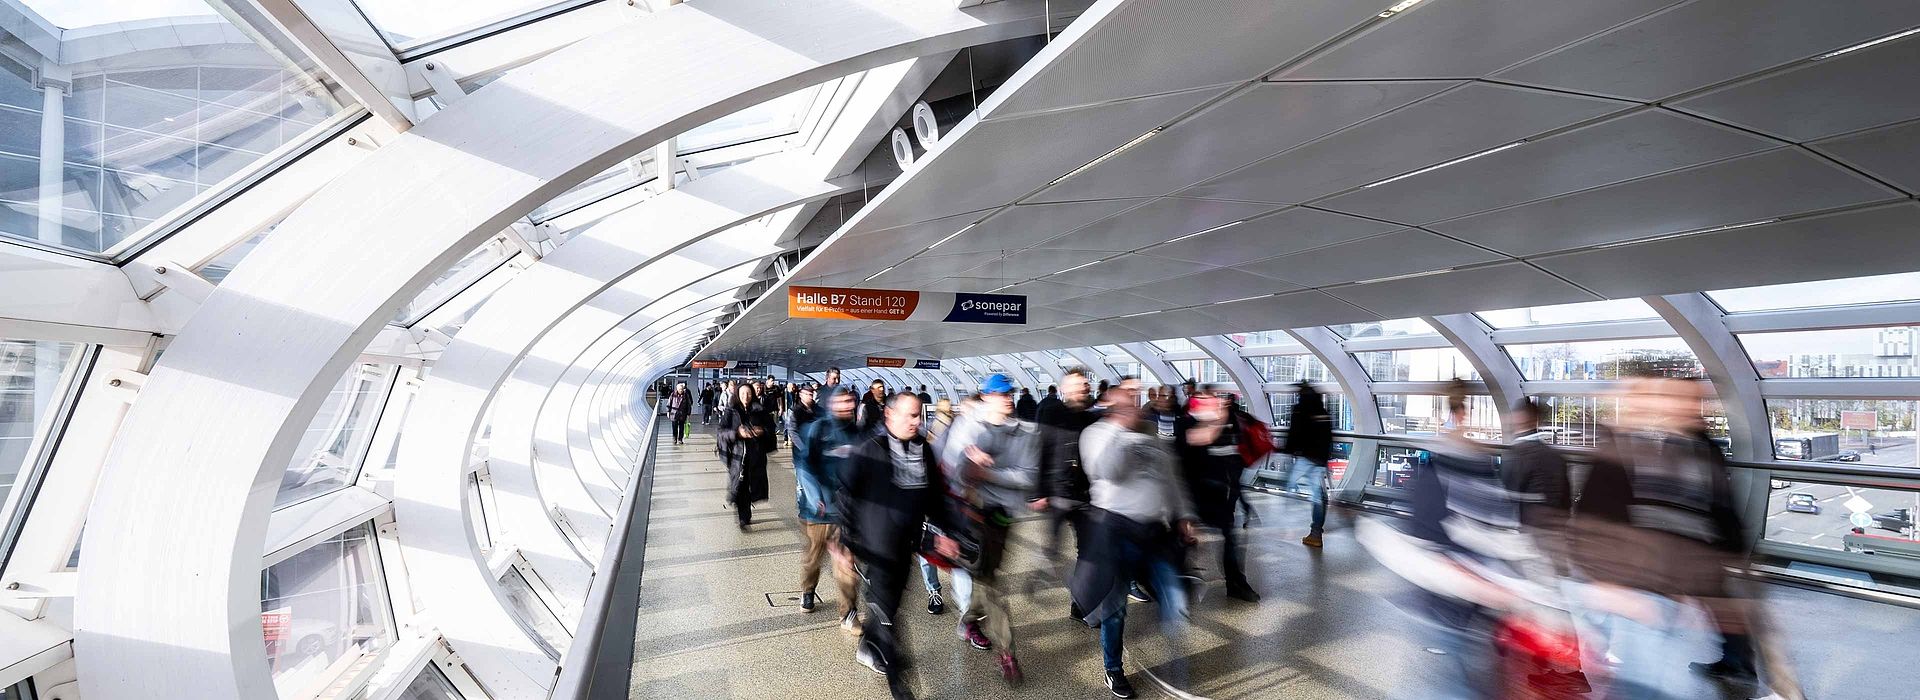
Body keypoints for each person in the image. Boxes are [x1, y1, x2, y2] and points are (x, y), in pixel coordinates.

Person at [1572, 375, 1755, 697]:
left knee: (1646, 678)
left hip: (1671, 585)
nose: (1685, 406)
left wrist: (1726, 564)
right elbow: (1597, 516)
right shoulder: (1634, 448)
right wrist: (1607, 581)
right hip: (1642, 585)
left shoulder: (1693, 449)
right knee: (1644, 679)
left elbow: (1715, 512)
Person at [1073, 381, 1197, 698]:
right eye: (1126, 402)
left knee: (1173, 592)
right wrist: (1122, 433)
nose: (1134, 405)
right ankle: (1113, 670)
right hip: (1115, 530)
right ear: (1113, 408)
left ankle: (1175, 661)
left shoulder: (1151, 433)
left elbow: (1170, 476)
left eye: (1135, 400)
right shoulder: (1097, 434)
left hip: (1154, 529)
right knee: (1115, 608)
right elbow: (1107, 471)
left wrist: (1183, 514)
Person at [839, 392, 962, 700]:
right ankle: (899, 685)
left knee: (888, 605)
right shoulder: (870, 450)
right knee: (889, 616)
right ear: (889, 417)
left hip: (906, 543)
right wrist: (844, 543)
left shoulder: (923, 449)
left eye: (919, 415)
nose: (916, 421)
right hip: (875, 545)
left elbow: (935, 497)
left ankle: (869, 647)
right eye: (909, 415)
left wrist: (948, 532)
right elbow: (846, 496)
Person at [939, 373, 1040, 685]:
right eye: (1000, 393)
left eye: (1010, 392)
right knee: (992, 584)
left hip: (1002, 517)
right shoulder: (968, 426)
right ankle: (1007, 653)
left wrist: (989, 471)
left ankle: (969, 620)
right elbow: (954, 467)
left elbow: (1028, 477)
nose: (1007, 397)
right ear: (985, 396)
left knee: (988, 577)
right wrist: (973, 471)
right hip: (973, 515)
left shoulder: (1023, 431)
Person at [1175, 387, 1259, 602]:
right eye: (1204, 400)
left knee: (1230, 539)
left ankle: (1235, 582)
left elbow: (1234, 456)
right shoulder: (1186, 422)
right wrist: (1217, 422)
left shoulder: (1229, 424)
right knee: (1185, 540)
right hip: (1193, 494)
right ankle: (1180, 581)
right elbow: (1195, 440)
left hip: (1221, 493)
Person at [795, 387, 860, 622]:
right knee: (813, 557)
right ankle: (808, 589)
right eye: (842, 402)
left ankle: (848, 613)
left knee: (846, 562)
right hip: (817, 511)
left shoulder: (857, 433)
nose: (847, 406)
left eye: (850, 402)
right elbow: (804, 466)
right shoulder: (818, 429)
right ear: (832, 404)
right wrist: (815, 497)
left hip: (844, 512)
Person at [1033, 368, 1100, 589]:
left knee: (1088, 550)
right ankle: (1044, 567)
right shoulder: (1053, 414)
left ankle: (1079, 599)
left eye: (1084, 385)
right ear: (1064, 390)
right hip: (1059, 490)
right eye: (1077, 386)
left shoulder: (1092, 417)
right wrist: (1038, 492)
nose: (1083, 389)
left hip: (1084, 494)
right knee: (1053, 542)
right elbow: (1040, 451)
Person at [1282, 382, 1334, 547]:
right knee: (1318, 497)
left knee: (1289, 484)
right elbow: (1328, 437)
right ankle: (1316, 532)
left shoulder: (1300, 409)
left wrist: (1288, 449)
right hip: (1319, 459)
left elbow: (1294, 433)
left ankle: (1288, 521)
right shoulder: (1323, 411)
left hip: (1305, 457)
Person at [718, 384, 771, 530]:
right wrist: (737, 433)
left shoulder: (760, 411)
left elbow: (770, 430)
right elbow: (721, 432)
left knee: (751, 484)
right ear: (737, 394)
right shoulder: (731, 411)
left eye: (748, 393)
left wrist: (762, 431)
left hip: (755, 456)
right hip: (737, 457)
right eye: (742, 393)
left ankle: (746, 512)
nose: (745, 397)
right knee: (740, 486)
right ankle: (743, 516)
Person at [788, 384, 818, 460]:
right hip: (801, 450)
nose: (809, 396)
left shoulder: (818, 410)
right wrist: (802, 448)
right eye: (806, 394)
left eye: (811, 394)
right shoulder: (796, 411)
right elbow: (793, 430)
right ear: (801, 395)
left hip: (816, 449)